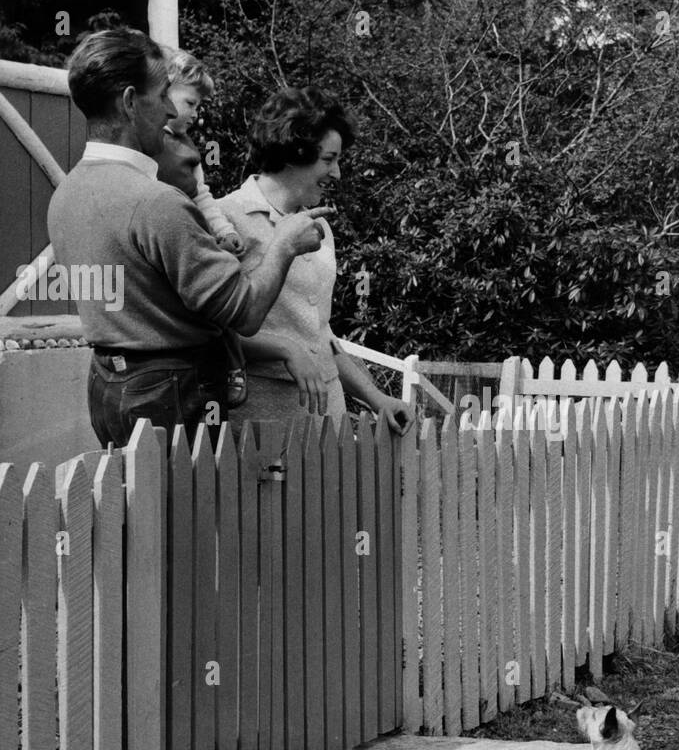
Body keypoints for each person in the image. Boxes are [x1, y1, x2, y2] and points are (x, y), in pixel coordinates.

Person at [47, 27, 328, 450]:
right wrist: (285, 243)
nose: (167, 112)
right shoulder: (156, 203)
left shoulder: (65, 195)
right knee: (191, 513)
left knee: (137, 509)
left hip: (108, 386)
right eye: (161, 95)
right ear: (128, 102)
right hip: (172, 393)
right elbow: (245, 311)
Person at [216, 86, 412, 435]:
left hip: (327, 419)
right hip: (259, 420)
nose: (336, 173)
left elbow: (320, 334)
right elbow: (210, 333)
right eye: (328, 159)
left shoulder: (319, 226)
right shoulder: (224, 218)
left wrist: (374, 397)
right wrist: (282, 349)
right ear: (294, 152)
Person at [164, 46, 250, 407]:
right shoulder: (144, 144)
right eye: (190, 103)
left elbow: (202, 195)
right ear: (163, 91)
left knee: (222, 287)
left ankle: (232, 366)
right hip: (163, 239)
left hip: (192, 235)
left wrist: (223, 230)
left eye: (199, 106)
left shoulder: (186, 149)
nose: (195, 115)